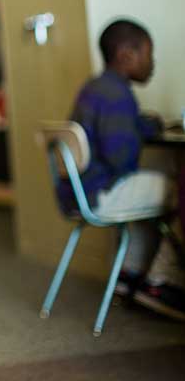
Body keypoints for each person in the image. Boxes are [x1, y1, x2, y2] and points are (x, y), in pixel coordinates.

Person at [61, 19, 184, 320]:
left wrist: (144, 124)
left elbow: (121, 125)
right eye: (148, 55)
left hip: (79, 192)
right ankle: (161, 280)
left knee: (151, 193)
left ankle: (129, 273)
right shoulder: (118, 95)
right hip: (102, 193)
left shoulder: (97, 88)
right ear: (126, 55)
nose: (152, 64)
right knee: (179, 191)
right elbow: (121, 157)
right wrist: (136, 132)